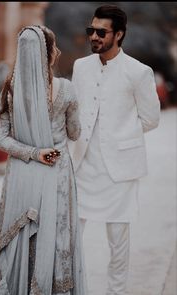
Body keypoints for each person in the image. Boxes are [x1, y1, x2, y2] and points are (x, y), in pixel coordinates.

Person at [0, 25, 86, 295]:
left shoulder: (10, 91)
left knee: (21, 238)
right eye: (53, 47)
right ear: (46, 54)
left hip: (22, 176)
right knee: (55, 238)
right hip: (56, 173)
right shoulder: (67, 90)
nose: (57, 51)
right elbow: (75, 132)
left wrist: (33, 153)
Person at [68, 5, 160, 295]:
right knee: (68, 238)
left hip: (119, 171)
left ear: (118, 34)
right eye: (90, 31)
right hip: (82, 165)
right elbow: (74, 112)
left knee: (118, 243)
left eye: (101, 32)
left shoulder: (139, 72)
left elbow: (151, 119)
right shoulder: (81, 67)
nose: (93, 36)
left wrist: (119, 137)